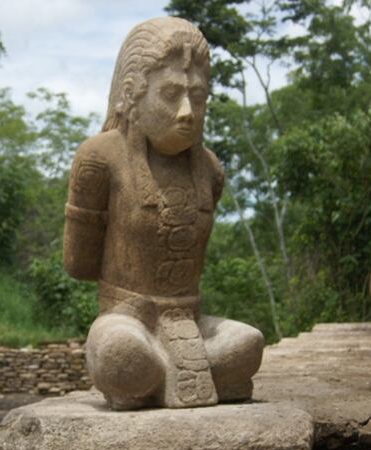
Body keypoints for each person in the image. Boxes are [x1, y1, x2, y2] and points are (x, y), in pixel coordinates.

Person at [63, 16, 263, 410]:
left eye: (198, 97)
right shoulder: (99, 158)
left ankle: (161, 374)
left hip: (190, 322)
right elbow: (78, 263)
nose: (187, 111)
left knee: (249, 343)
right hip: (126, 319)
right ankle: (156, 374)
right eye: (170, 94)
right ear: (132, 93)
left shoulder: (209, 168)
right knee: (121, 355)